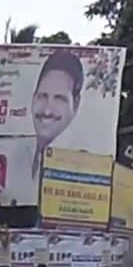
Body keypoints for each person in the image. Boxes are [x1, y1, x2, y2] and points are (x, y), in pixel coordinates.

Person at [29, 49, 84, 182]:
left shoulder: (80, 162)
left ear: (76, 104)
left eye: (59, 98)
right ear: (33, 98)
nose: (47, 111)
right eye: (42, 96)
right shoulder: (18, 153)